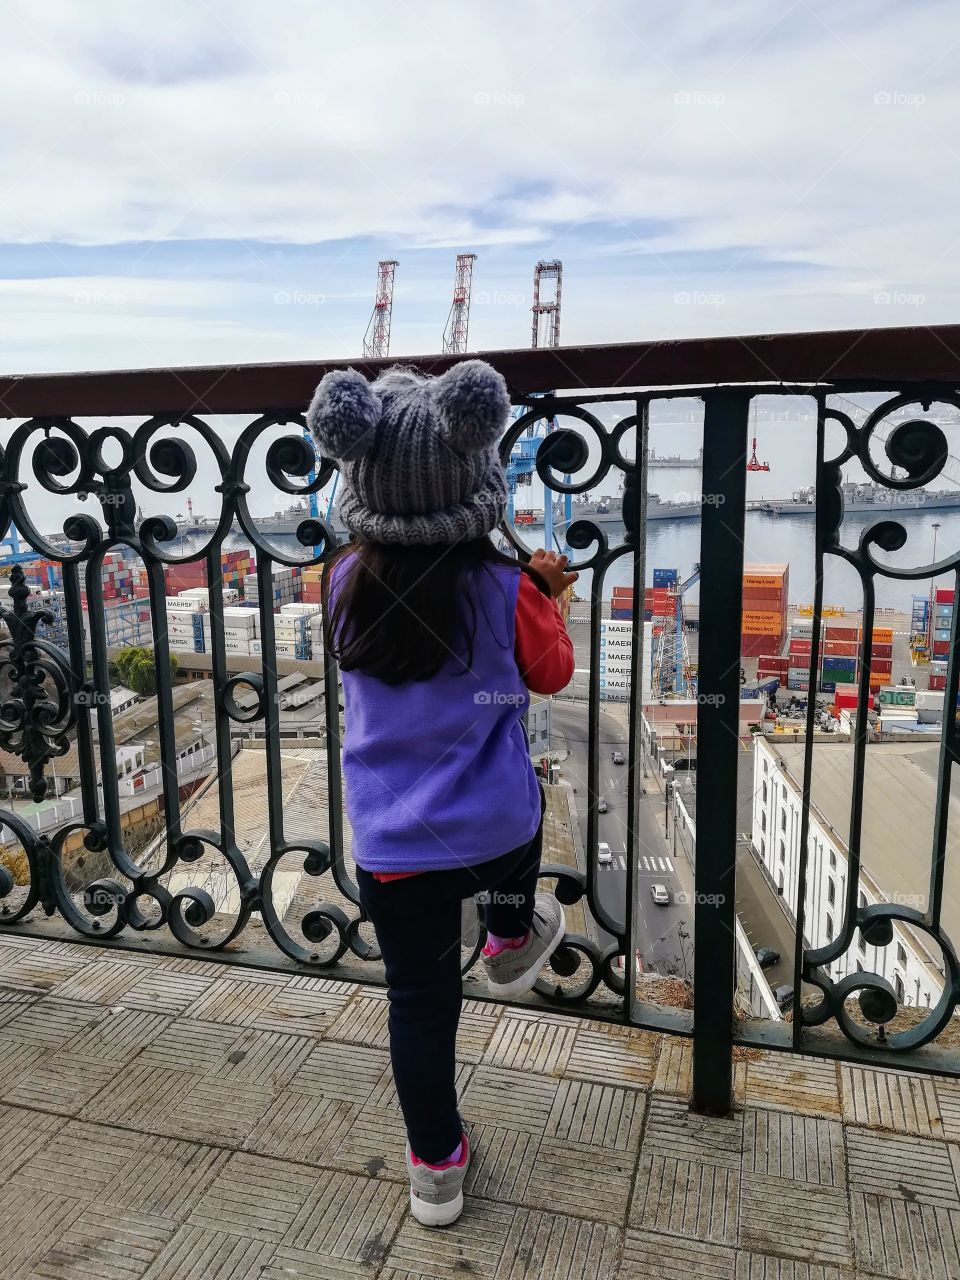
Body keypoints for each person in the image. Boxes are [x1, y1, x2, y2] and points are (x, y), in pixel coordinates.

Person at [308, 360, 576, 1228]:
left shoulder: (343, 583)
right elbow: (551, 675)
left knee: (418, 1007)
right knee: (523, 822)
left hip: (392, 845)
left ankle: (436, 1169)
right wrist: (545, 600)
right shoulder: (506, 592)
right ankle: (506, 935)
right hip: (493, 830)